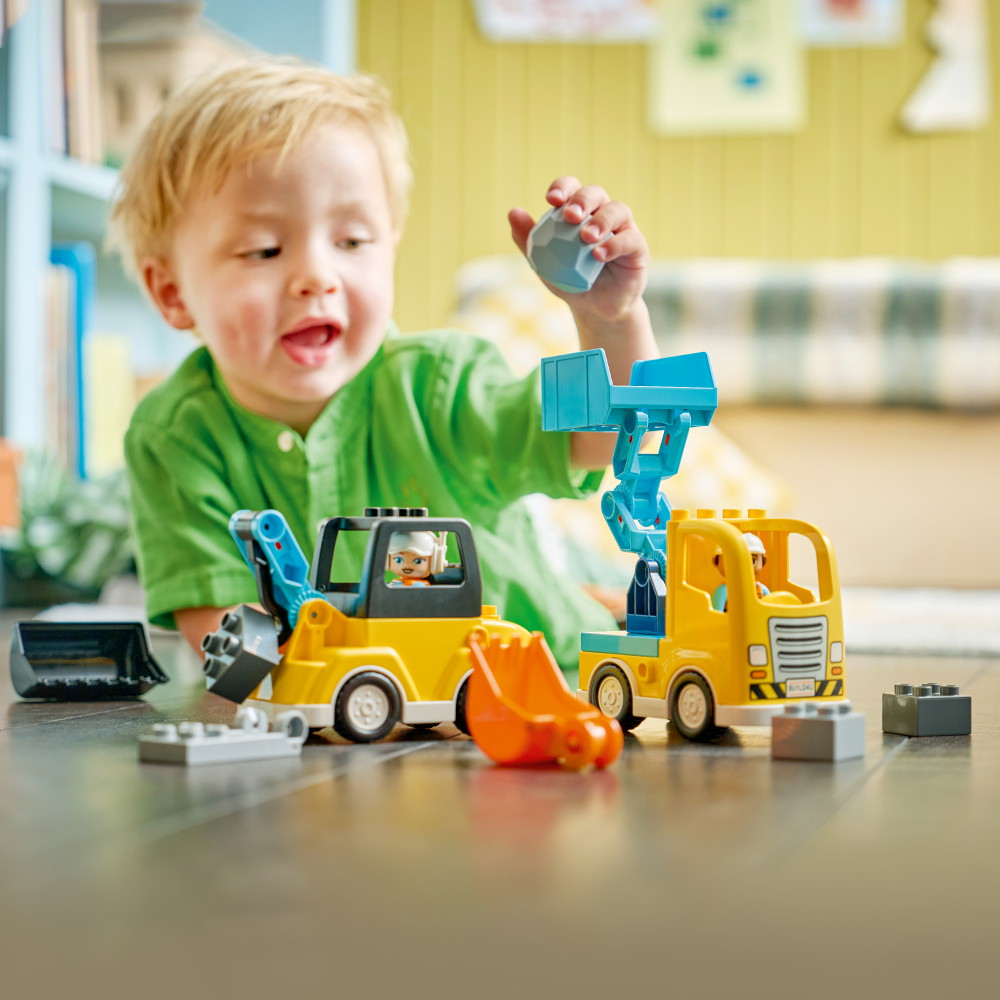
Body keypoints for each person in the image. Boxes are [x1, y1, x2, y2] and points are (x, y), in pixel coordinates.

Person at [107, 56, 658, 669]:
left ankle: (606, 598)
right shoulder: (172, 436)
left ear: (389, 248)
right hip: (360, 701)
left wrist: (611, 321)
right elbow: (221, 625)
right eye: (264, 249)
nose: (318, 276)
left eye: (351, 242)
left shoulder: (442, 382)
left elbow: (605, 440)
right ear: (172, 292)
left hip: (556, 673)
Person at [711, 532, 770, 612]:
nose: (742, 565)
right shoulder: (723, 591)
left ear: (763, 561)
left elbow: (771, 610)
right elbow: (716, 614)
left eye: (752, 561)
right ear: (716, 561)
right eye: (732, 561)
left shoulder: (761, 589)